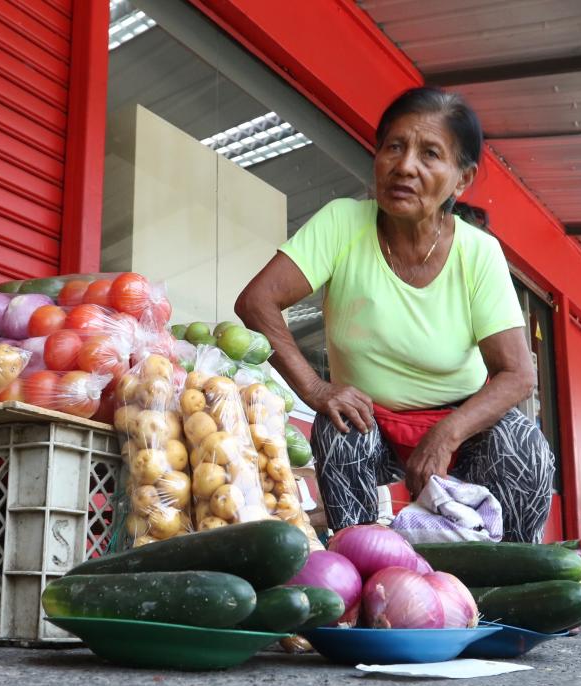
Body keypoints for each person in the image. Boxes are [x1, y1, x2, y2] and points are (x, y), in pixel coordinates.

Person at [236, 86, 553, 542]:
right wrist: (317, 389)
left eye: (430, 154)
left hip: (457, 423)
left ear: (461, 180)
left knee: (523, 445)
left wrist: (446, 435)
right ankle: (365, 568)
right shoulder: (343, 223)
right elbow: (256, 301)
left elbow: (518, 375)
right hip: (370, 421)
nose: (405, 166)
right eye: (395, 147)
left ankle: (507, 578)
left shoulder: (478, 252)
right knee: (339, 428)